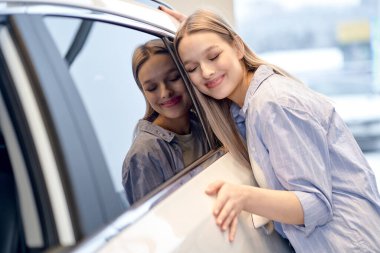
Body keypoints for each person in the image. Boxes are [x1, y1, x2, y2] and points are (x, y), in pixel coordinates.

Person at [172, 9, 380, 252]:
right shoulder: (246, 110)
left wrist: (244, 197)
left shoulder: (272, 103)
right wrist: (185, 30)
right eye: (192, 68)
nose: (206, 72)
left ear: (237, 47)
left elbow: (315, 205)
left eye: (214, 55)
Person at [122, 39, 208, 205]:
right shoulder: (143, 156)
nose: (165, 92)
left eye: (174, 78)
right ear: (143, 92)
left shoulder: (204, 125)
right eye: (152, 88)